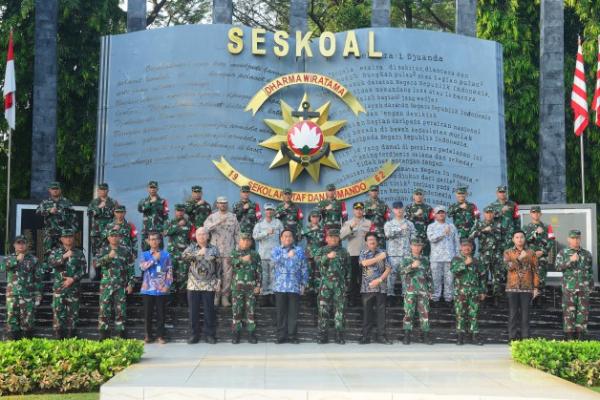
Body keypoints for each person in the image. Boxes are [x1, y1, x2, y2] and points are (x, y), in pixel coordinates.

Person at [182, 227, 220, 344]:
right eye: (199, 234)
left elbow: (218, 266)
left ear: (208, 236)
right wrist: (197, 253)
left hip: (209, 284)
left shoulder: (214, 249)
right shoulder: (191, 247)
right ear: (196, 236)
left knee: (209, 311)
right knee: (193, 311)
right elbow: (183, 257)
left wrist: (219, 280)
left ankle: (210, 335)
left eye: (204, 234)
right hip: (194, 284)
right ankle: (194, 335)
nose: (202, 236)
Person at [0, 236, 43, 340]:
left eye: (23, 243)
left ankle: (26, 346)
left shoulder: (34, 260)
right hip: (12, 295)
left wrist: (38, 295)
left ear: (27, 245)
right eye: (18, 243)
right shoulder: (9, 258)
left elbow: (38, 279)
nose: (21, 245)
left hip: (27, 295)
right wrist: (15, 260)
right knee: (11, 320)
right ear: (14, 245)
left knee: (27, 321)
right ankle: (12, 345)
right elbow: (2, 268)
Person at [47, 228, 87, 339]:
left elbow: (83, 270)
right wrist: (64, 256)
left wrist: (73, 279)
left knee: (73, 315)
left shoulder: (79, 253)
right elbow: (50, 264)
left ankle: (72, 338)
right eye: (65, 237)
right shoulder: (55, 252)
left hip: (73, 288)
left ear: (73, 238)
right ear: (61, 239)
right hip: (59, 288)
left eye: (70, 236)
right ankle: (58, 338)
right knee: (58, 313)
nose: (68, 239)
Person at [555, 229, 594, 340]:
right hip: (569, 290)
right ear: (568, 239)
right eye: (573, 238)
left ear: (580, 239)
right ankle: (569, 339)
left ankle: (580, 339)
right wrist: (570, 260)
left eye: (577, 238)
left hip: (583, 290)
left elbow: (590, 271)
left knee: (582, 315)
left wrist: (590, 286)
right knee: (569, 315)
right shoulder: (563, 253)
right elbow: (557, 267)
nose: (575, 240)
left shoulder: (586, 254)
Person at [96, 228, 135, 340]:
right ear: (108, 238)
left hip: (120, 285)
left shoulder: (125, 250)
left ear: (119, 237)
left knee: (120, 311)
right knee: (104, 310)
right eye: (112, 236)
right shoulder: (103, 250)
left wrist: (131, 284)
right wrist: (108, 257)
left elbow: (131, 268)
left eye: (116, 235)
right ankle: (104, 335)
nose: (114, 237)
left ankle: (120, 334)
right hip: (106, 285)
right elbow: (97, 264)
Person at [271, 229, 308, 344]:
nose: (288, 238)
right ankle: (281, 336)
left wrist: (304, 284)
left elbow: (304, 268)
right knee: (281, 313)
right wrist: (287, 256)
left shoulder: (299, 250)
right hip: (280, 286)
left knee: (293, 313)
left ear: (292, 238)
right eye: (285, 236)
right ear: (281, 238)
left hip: (294, 286)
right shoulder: (276, 250)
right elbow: (274, 262)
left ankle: (292, 336)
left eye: (290, 236)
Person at [315, 229, 350, 344]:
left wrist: (347, 284)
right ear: (326, 238)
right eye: (331, 236)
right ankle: (322, 335)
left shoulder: (344, 252)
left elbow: (348, 269)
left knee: (340, 311)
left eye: (336, 237)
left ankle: (339, 335)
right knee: (323, 310)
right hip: (325, 284)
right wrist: (327, 257)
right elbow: (318, 262)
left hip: (339, 285)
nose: (334, 239)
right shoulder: (321, 250)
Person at [204, 196, 240, 307]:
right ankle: (215, 296)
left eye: (225, 203)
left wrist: (238, 248)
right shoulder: (212, 217)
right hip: (215, 252)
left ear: (227, 204)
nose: (223, 205)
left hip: (228, 251)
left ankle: (225, 297)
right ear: (217, 205)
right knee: (214, 274)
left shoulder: (233, 217)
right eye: (220, 203)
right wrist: (218, 222)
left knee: (227, 275)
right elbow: (205, 230)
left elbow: (237, 234)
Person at [503, 230, 539, 342]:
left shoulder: (531, 253)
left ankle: (525, 338)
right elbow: (508, 267)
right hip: (512, 288)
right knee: (513, 313)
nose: (519, 239)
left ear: (525, 239)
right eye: (517, 237)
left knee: (525, 315)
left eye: (521, 237)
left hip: (527, 288)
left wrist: (536, 287)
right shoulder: (508, 252)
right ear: (513, 239)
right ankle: (512, 338)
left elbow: (536, 271)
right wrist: (519, 258)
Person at [358, 232, 392, 344]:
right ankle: (365, 336)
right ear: (366, 242)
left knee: (381, 313)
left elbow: (388, 268)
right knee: (367, 313)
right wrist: (378, 258)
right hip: (367, 288)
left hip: (381, 287)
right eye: (369, 239)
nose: (372, 241)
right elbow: (364, 263)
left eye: (373, 239)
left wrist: (380, 279)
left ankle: (381, 336)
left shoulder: (383, 252)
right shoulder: (363, 252)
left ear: (377, 241)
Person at [450, 239, 486, 345]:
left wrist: (483, 291)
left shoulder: (477, 261)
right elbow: (453, 271)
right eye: (464, 245)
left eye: (469, 246)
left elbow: (482, 277)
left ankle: (474, 337)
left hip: (474, 292)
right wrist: (464, 263)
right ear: (460, 247)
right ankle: (460, 337)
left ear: (472, 247)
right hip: (460, 292)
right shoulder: (456, 259)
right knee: (460, 314)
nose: (467, 248)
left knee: (473, 314)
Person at [139, 231, 173, 344]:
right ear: (148, 241)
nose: (154, 241)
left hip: (161, 290)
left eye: (156, 239)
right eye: (151, 239)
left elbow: (169, 271)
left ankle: (160, 336)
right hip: (148, 290)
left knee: (161, 314)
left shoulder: (166, 255)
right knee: (148, 314)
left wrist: (167, 285)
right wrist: (154, 259)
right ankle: (148, 335)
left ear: (159, 241)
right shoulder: (144, 254)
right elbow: (143, 267)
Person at [400, 238, 433, 345]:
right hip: (410, 290)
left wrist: (431, 290)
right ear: (411, 246)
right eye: (415, 245)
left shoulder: (425, 260)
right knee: (409, 312)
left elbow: (429, 276)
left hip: (423, 291)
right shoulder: (406, 259)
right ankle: (407, 335)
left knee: (425, 313)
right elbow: (401, 272)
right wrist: (411, 266)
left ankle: (426, 336)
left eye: (419, 245)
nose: (417, 247)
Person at [230, 233, 262, 344]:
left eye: (248, 240)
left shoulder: (255, 254)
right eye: (243, 240)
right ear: (239, 241)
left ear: (251, 242)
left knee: (251, 311)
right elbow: (232, 264)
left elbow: (259, 271)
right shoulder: (234, 253)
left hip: (251, 288)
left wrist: (258, 285)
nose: (246, 242)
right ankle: (236, 334)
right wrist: (242, 259)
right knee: (236, 311)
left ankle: (251, 334)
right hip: (237, 288)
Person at [340, 202, 373, 305]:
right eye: (356, 209)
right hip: (353, 254)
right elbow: (341, 236)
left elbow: (374, 238)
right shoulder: (348, 223)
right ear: (353, 211)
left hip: (366, 255)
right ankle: (352, 300)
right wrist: (350, 228)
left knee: (365, 278)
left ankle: (366, 300)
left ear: (363, 211)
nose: (359, 211)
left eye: (360, 209)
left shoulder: (369, 223)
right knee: (353, 278)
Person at [469, 206, 503, 305]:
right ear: (484, 214)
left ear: (493, 214)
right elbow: (471, 236)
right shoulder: (479, 223)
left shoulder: (499, 224)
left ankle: (496, 297)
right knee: (483, 276)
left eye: (491, 212)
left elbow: (506, 238)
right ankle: (483, 296)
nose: (489, 214)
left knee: (497, 276)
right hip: (484, 254)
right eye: (487, 213)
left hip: (496, 254)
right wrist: (483, 230)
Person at [383, 201, 415, 305]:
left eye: (400, 208)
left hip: (406, 254)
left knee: (406, 276)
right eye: (396, 208)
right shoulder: (389, 224)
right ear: (393, 210)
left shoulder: (410, 224)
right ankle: (390, 296)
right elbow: (388, 235)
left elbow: (414, 238)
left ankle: (405, 297)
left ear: (403, 208)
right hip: (393, 254)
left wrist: (413, 251)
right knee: (391, 276)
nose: (399, 210)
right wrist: (400, 228)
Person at [36, 181, 77, 261]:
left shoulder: (67, 202)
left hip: (64, 234)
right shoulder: (45, 202)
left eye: (56, 189)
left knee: (64, 254)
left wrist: (72, 231)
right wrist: (48, 211)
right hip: (50, 233)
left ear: (60, 190)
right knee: (48, 254)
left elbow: (74, 217)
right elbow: (37, 212)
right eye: (53, 189)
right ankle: (48, 272)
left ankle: (62, 272)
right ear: (49, 190)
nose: (55, 190)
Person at [253, 202, 284, 306]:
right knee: (264, 276)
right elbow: (255, 236)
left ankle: (272, 296)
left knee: (274, 276)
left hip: (275, 254)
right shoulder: (260, 224)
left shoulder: (278, 223)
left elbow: (283, 237)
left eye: (271, 209)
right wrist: (266, 232)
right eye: (267, 209)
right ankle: (264, 296)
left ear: (274, 211)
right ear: (264, 211)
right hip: (263, 254)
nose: (269, 211)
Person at [427, 206, 460, 302]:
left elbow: (456, 242)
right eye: (439, 213)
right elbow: (432, 239)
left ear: (445, 214)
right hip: (436, 258)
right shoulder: (431, 227)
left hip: (450, 258)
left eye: (443, 212)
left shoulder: (452, 226)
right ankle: (435, 298)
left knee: (449, 280)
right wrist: (443, 233)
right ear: (435, 215)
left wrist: (457, 255)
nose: (441, 214)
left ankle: (448, 299)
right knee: (435, 279)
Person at [523, 206, 555, 306]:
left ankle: (540, 300)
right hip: (530, 258)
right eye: (533, 212)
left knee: (541, 279)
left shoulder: (547, 227)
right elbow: (524, 242)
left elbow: (551, 241)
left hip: (542, 258)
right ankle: (529, 301)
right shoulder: (525, 228)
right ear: (530, 214)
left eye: (537, 212)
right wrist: (536, 233)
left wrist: (543, 251)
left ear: (540, 214)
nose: (536, 214)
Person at [164, 204, 195, 306]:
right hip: (172, 253)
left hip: (184, 254)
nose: (180, 213)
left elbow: (192, 238)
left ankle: (182, 298)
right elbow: (165, 233)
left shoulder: (189, 224)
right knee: (170, 274)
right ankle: (172, 298)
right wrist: (178, 226)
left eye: (182, 211)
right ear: (175, 211)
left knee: (183, 275)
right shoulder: (169, 222)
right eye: (178, 211)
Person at [102, 205, 138, 281]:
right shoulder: (109, 225)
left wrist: (134, 253)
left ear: (125, 213)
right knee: (112, 273)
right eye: (117, 212)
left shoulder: (130, 225)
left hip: (125, 253)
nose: (119, 214)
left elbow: (134, 240)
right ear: (114, 213)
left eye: (121, 212)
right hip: (112, 253)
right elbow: (103, 237)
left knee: (127, 272)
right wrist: (113, 229)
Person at [88, 183, 118, 258]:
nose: (102, 191)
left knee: (109, 252)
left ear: (107, 191)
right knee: (96, 254)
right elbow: (90, 214)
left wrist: (115, 226)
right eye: (101, 190)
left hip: (108, 232)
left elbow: (117, 216)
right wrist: (99, 207)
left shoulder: (113, 202)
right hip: (97, 232)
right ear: (98, 191)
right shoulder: (94, 202)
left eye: (104, 190)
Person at [137, 180, 169, 251]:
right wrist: (150, 203)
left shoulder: (162, 201)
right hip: (146, 231)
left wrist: (165, 228)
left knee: (159, 252)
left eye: (154, 188)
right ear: (148, 189)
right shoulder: (144, 201)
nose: (152, 189)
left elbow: (166, 216)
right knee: (146, 252)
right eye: (151, 188)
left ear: (157, 189)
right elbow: (139, 209)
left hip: (158, 231)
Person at [301, 209, 325, 298]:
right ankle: (309, 295)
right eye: (313, 217)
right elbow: (300, 235)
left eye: (317, 217)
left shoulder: (323, 228)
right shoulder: (306, 228)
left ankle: (318, 295)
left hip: (320, 254)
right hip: (309, 254)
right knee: (309, 275)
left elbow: (326, 241)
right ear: (310, 218)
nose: (315, 219)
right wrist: (311, 229)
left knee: (319, 275)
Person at [488, 185, 519, 251]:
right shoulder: (492, 206)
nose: (502, 194)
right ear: (497, 193)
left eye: (504, 192)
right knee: (497, 254)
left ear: (506, 193)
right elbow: (489, 218)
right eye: (500, 192)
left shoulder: (513, 204)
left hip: (509, 234)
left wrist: (517, 233)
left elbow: (517, 220)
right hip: (497, 234)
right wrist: (501, 211)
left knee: (510, 253)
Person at [405, 188, 434, 256]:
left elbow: (432, 223)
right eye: (417, 194)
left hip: (425, 238)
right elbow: (405, 221)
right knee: (412, 257)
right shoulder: (409, 207)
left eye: (420, 194)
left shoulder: (428, 208)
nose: (418, 196)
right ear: (413, 196)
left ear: (423, 196)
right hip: (413, 237)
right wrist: (415, 214)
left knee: (425, 257)